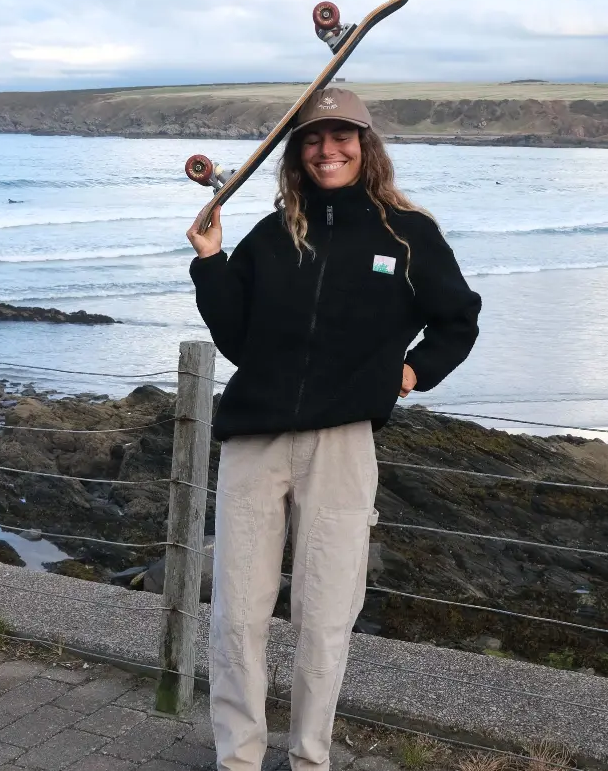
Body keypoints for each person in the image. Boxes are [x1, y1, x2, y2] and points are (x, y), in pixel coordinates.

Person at [187, 86, 481, 771]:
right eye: (314, 140)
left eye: (342, 137)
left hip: (342, 445)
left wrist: (406, 377)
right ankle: (238, 759)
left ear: (366, 145)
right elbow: (238, 339)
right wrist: (210, 261)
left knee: (323, 617)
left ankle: (310, 759)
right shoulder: (272, 232)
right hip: (256, 441)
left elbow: (458, 319)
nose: (328, 150)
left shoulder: (407, 234)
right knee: (237, 615)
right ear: (297, 153)